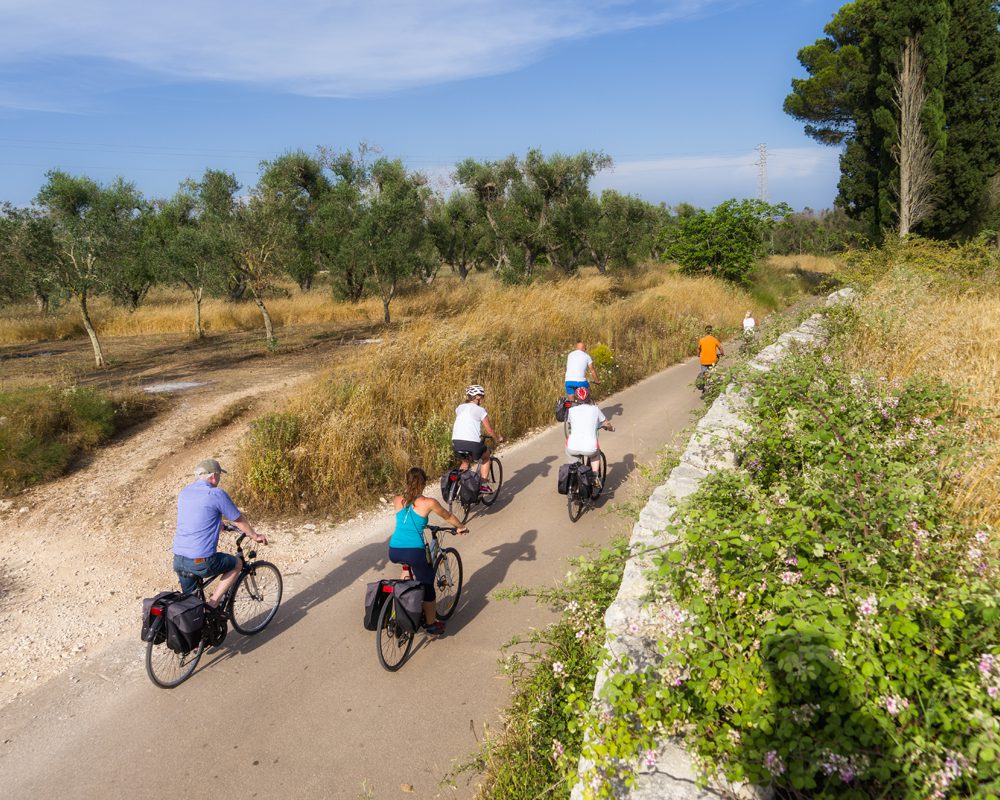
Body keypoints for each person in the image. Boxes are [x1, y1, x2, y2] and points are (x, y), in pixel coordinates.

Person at [172, 458, 267, 607]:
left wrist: (217, 523)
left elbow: (196, 515)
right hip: (201, 561)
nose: (219, 480)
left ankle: (199, 625)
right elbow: (238, 520)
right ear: (214, 476)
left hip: (179, 558)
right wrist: (255, 536)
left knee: (191, 605)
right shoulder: (216, 494)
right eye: (219, 476)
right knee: (237, 564)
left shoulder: (185, 492)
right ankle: (213, 603)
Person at [388, 467, 468, 636]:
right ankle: (431, 624)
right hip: (413, 551)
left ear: (407, 482)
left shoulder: (397, 500)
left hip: (394, 549)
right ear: (423, 483)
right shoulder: (428, 502)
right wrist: (460, 527)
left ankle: (397, 615)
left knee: (406, 574)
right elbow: (447, 516)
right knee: (427, 586)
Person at [451, 385, 503, 488]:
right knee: (486, 456)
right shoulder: (480, 410)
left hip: (456, 442)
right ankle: (483, 485)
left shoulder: (459, 408)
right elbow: (489, 430)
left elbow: (465, 422)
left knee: (465, 462)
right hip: (472, 444)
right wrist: (497, 439)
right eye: (482, 397)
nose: (483, 399)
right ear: (477, 397)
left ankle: (457, 488)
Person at [565, 387, 614, 489]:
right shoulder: (595, 409)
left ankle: (573, 483)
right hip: (589, 448)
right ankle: (595, 476)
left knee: (574, 461)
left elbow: (570, 424)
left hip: (572, 447)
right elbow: (606, 423)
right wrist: (611, 428)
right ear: (589, 397)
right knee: (595, 454)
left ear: (576, 398)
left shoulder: (571, 410)